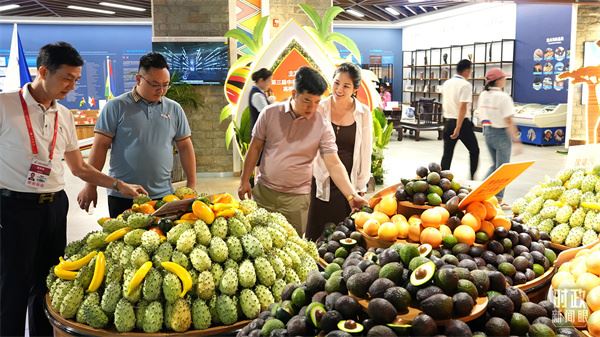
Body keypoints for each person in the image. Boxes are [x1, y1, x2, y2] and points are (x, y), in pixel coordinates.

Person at [0, 41, 146, 337]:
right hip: (13, 207)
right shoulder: (4, 106)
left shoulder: (64, 116)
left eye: (77, 79)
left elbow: (79, 168)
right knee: (12, 282)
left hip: (54, 206)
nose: (72, 85)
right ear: (43, 71)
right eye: (67, 78)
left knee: (47, 281)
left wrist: (118, 184)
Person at [237, 66, 368, 234]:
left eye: (316, 102)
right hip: (264, 193)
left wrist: (351, 195)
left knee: (292, 250)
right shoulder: (270, 114)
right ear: (294, 94)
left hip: (297, 199)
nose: (312, 108)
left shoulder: (321, 124)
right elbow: (255, 147)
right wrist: (244, 180)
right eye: (306, 100)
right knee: (259, 244)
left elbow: (334, 163)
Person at [77, 52, 197, 218]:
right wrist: (90, 186)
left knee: (162, 241)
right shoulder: (115, 107)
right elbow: (100, 147)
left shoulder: (174, 109)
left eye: (166, 85)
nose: (161, 90)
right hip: (123, 195)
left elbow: (185, 147)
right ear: (138, 79)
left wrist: (191, 183)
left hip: (164, 196)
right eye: (155, 84)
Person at [306, 63, 372, 240]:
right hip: (322, 176)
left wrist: (361, 184)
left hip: (348, 181)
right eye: (336, 83)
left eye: (346, 85)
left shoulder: (363, 113)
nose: (339, 89)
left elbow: (366, 151)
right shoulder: (320, 108)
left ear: (355, 89)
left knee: (342, 234)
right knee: (316, 230)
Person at [478, 68, 521, 206]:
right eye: (503, 78)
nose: (505, 80)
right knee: (502, 169)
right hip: (501, 134)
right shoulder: (503, 97)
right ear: (497, 81)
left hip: (488, 131)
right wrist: (516, 140)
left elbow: (480, 114)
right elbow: (508, 120)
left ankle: (479, 191)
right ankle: (497, 199)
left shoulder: (484, 94)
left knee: (495, 166)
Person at [440, 59, 480, 180]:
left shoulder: (446, 83)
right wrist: (458, 127)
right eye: (470, 71)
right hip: (461, 123)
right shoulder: (465, 85)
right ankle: (472, 177)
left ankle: (442, 180)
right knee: (474, 150)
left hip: (447, 121)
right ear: (467, 71)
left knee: (447, 153)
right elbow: (462, 107)